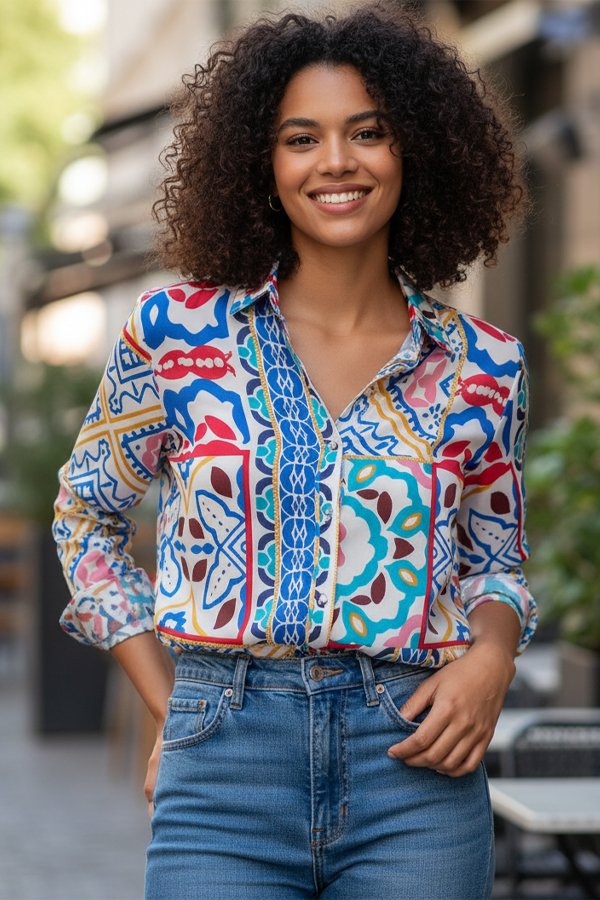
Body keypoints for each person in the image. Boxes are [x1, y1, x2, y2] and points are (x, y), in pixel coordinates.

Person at [53, 5, 537, 898]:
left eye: (369, 132)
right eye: (301, 138)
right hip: (223, 767)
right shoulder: (177, 335)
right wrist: (175, 704)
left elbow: (493, 561)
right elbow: (86, 519)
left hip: (415, 764)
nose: (336, 161)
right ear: (261, 163)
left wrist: (491, 658)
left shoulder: (484, 365)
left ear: (417, 150)